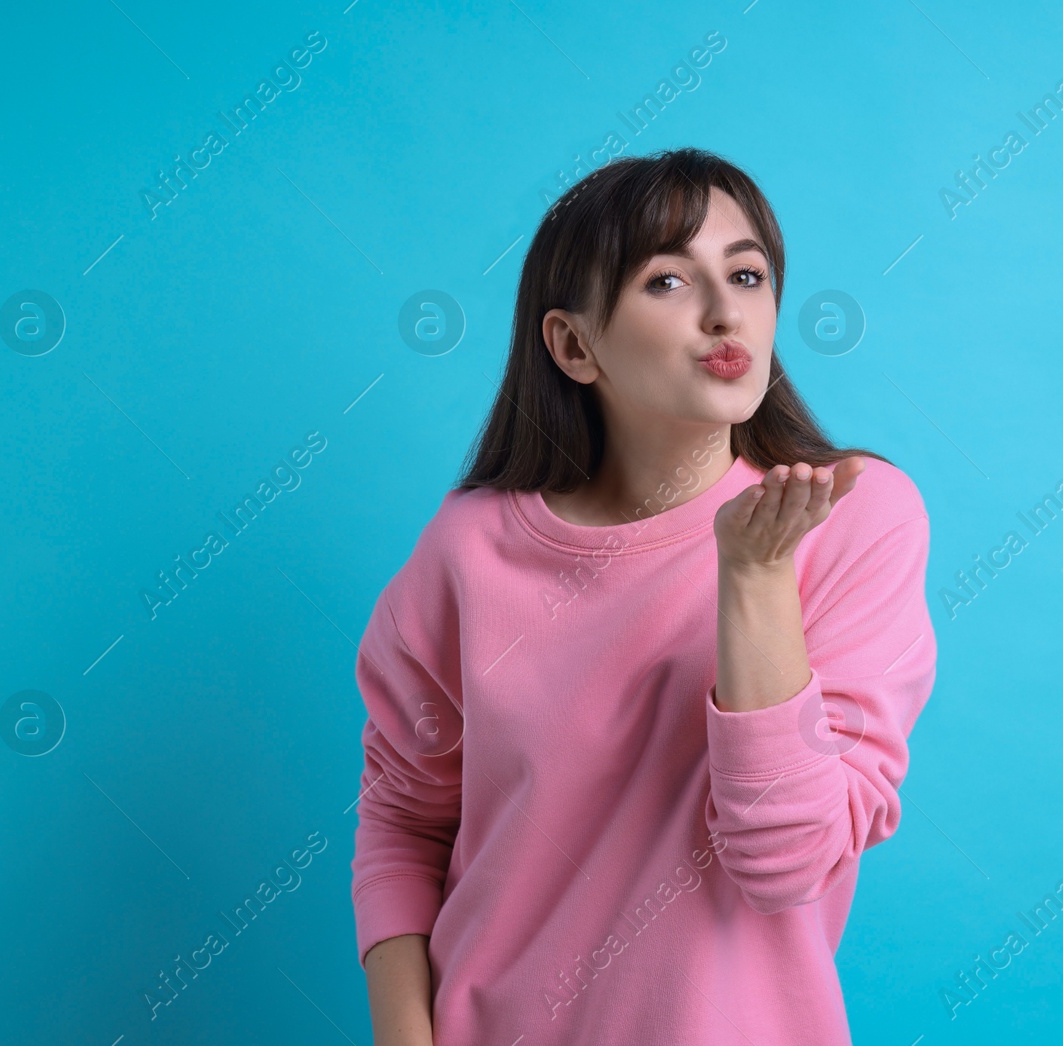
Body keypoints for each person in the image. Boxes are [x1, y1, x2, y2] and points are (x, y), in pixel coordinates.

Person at [352, 147, 937, 1045]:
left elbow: (788, 862)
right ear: (574, 346)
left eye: (746, 273)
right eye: (666, 281)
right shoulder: (470, 548)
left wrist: (753, 577)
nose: (723, 311)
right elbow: (404, 819)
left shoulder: (851, 518)